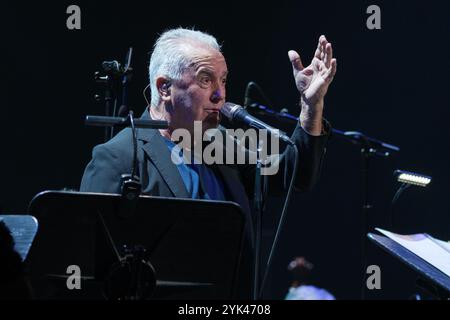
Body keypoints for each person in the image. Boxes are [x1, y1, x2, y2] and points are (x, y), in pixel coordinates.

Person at [80, 27, 337, 298]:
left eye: (223, 81)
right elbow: (94, 273)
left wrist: (311, 107)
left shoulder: (223, 142)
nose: (220, 95)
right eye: (205, 80)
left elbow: (293, 175)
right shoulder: (117, 157)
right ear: (164, 87)